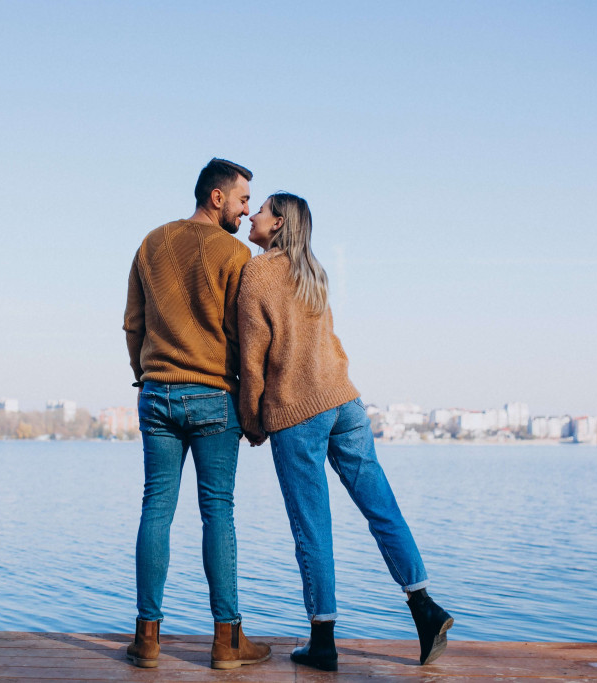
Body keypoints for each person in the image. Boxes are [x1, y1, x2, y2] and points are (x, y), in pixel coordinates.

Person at [237, 192, 453, 670]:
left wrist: (251, 423)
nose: (252, 215)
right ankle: (423, 605)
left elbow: (252, 362)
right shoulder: (313, 271)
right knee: (382, 508)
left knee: (311, 526)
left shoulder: (258, 273)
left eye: (262, 209)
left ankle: (323, 641)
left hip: (297, 411)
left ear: (277, 225)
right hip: (345, 402)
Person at [121, 158, 271, 670]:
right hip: (213, 397)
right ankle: (226, 642)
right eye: (244, 200)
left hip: (157, 394)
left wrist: (146, 377)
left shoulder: (152, 242)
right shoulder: (236, 254)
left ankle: (146, 640)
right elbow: (247, 340)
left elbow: (132, 326)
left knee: (155, 509)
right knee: (218, 512)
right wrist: (251, 413)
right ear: (217, 198)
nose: (247, 210)